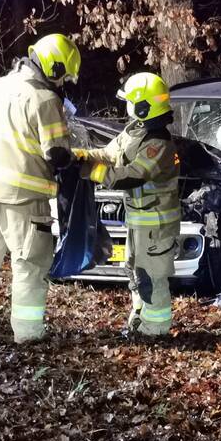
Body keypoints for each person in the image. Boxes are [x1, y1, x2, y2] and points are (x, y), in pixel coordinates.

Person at [0, 33, 81, 343]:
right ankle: (28, 333)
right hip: (25, 198)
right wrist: (75, 155)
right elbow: (56, 154)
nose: (63, 83)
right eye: (63, 76)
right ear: (54, 68)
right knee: (30, 265)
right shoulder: (45, 99)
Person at [74, 72, 181, 338]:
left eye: (130, 102)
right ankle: (140, 322)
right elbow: (109, 154)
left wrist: (92, 172)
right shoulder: (134, 132)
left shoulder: (159, 144)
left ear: (143, 106)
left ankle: (155, 329)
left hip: (157, 225)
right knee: (135, 274)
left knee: (152, 277)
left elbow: (132, 175)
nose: (127, 108)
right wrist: (81, 155)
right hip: (139, 222)